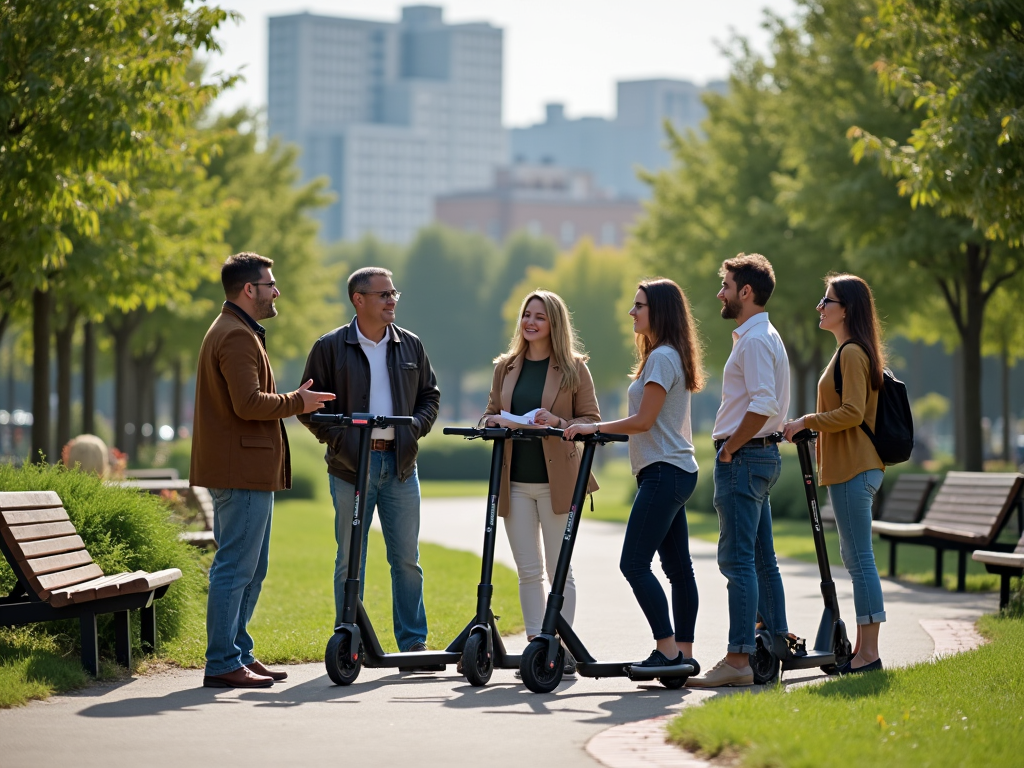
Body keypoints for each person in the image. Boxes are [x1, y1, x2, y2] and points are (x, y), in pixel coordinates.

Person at [191, 252, 335, 689]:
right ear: (249, 289)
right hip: (241, 471)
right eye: (270, 284)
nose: (277, 291)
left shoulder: (239, 330)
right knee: (236, 567)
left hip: (244, 469)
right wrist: (298, 402)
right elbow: (248, 403)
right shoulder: (235, 336)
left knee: (252, 567)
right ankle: (221, 662)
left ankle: (238, 653)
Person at [565, 278, 706, 672]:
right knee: (679, 570)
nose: (632, 312)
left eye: (639, 305)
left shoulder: (663, 357)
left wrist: (594, 428)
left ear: (658, 311)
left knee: (634, 563)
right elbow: (651, 423)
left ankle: (667, 650)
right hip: (673, 469)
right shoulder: (669, 354)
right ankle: (684, 656)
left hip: (664, 472)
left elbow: (644, 421)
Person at [298, 267, 440, 656]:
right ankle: (347, 638)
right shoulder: (329, 347)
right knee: (349, 560)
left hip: (400, 468)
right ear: (358, 300)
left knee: (407, 561)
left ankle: (413, 644)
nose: (392, 300)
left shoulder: (410, 345)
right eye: (383, 295)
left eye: (394, 293)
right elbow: (309, 407)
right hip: (349, 470)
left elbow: (430, 396)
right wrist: (343, 442)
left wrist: (415, 426)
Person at [687, 253, 794, 689]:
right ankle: (774, 645)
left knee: (737, 562)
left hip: (744, 457)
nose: (721, 293)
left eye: (726, 285)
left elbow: (764, 403)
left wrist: (730, 448)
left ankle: (738, 659)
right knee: (763, 560)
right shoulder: (765, 335)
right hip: (759, 457)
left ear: (745, 292)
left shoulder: (753, 340)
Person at [481, 290, 600, 675]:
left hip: (559, 483)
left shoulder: (574, 369)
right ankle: (537, 647)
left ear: (555, 324)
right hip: (514, 482)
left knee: (559, 570)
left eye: (540, 317)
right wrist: (494, 422)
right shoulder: (505, 366)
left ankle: (558, 645)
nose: (530, 322)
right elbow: (487, 416)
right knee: (528, 570)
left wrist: (559, 423)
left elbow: (590, 421)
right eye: (526, 315)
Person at [782, 274, 886, 674]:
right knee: (856, 558)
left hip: (853, 468)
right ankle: (862, 649)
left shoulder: (852, 354)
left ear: (848, 309)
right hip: (849, 468)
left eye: (827, 301)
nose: (819, 307)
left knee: (860, 559)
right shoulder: (847, 352)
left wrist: (807, 420)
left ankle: (869, 654)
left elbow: (853, 412)